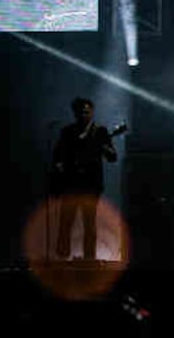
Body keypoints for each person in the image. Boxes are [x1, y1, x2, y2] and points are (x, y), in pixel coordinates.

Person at [51, 96, 118, 260]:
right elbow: (57, 154)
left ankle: (89, 258)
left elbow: (112, 157)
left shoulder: (100, 131)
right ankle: (62, 256)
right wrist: (60, 168)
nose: (84, 115)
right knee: (66, 219)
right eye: (80, 112)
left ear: (92, 112)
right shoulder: (67, 131)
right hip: (71, 182)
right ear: (75, 113)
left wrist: (103, 147)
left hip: (91, 184)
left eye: (87, 112)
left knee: (89, 222)